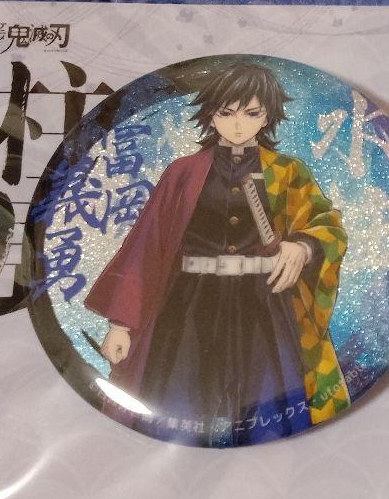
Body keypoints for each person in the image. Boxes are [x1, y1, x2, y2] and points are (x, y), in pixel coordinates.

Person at [84, 60, 349, 446]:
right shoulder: (183, 172)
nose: (238, 125)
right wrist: (121, 324)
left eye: (251, 113)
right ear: (210, 114)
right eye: (226, 112)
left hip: (266, 305)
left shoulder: (288, 172)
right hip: (188, 307)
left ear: (268, 115)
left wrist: (303, 247)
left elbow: (327, 225)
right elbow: (146, 245)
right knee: (173, 415)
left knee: (273, 418)